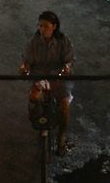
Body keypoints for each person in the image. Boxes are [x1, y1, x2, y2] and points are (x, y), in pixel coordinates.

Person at [20, 11, 74, 156]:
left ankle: (61, 137)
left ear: (54, 27)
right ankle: (35, 120)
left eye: (45, 26)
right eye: (40, 26)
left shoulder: (63, 41)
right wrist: (25, 69)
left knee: (64, 106)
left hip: (59, 78)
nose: (42, 29)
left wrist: (65, 69)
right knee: (34, 98)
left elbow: (68, 60)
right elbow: (27, 62)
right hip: (39, 78)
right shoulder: (33, 43)